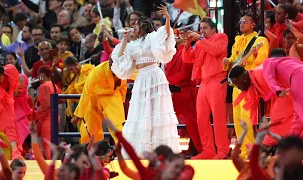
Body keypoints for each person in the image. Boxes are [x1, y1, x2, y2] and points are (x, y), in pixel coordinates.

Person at [111, 5, 180, 157]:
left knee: (157, 110)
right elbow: (119, 58)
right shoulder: (132, 45)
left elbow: (166, 33)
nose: (133, 27)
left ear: (143, 26)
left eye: (136, 25)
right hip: (141, 78)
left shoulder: (152, 38)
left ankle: (160, 150)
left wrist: (168, 18)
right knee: (142, 112)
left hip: (155, 75)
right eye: (133, 25)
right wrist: (124, 39)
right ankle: (141, 150)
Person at [223, 14, 269, 159]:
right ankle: (242, 151)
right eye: (240, 21)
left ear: (253, 25)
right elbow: (233, 59)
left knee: (247, 119)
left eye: (245, 21)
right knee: (237, 119)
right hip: (237, 84)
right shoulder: (238, 40)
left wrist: (255, 55)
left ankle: (250, 151)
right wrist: (227, 61)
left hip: (249, 84)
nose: (241, 24)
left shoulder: (260, 40)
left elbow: (262, 62)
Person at [182, 17, 229, 159]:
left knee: (218, 117)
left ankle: (222, 151)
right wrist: (187, 44)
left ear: (213, 29)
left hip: (217, 80)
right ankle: (208, 150)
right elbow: (188, 59)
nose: (202, 31)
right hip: (204, 82)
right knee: (201, 118)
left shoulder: (221, 37)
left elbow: (215, 51)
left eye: (205, 28)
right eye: (200, 28)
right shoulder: (200, 43)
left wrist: (199, 39)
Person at [229, 63, 294, 147]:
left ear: (242, 78)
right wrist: (254, 129)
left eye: (237, 84)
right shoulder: (250, 83)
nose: (238, 87)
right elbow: (253, 106)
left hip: (288, 89)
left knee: (278, 119)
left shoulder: (261, 73)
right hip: (281, 94)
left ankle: (264, 148)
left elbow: (282, 82)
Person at [72, 60, 126, 144]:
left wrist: (122, 100)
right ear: (110, 64)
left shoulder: (125, 68)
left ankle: (124, 150)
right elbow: (86, 93)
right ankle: (91, 152)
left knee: (117, 125)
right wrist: (79, 115)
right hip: (95, 96)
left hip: (113, 95)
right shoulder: (97, 71)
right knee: (90, 127)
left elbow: (124, 85)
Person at [263, 49, 303, 138]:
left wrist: (277, 90)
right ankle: (292, 144)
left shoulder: (270, 61)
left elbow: (269, 76)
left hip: (298, 79)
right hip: (296, 79)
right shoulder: (293, 60)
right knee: (298, 115)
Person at [36, 65, 62, 159]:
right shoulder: (53, 84)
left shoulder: (44, 86)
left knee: (46, 144)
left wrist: (37, 115)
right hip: (54, 116)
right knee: (35, 134)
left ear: (42, 75)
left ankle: (49, 164)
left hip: (47, 117)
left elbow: (46, 104)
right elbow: (60, 98)